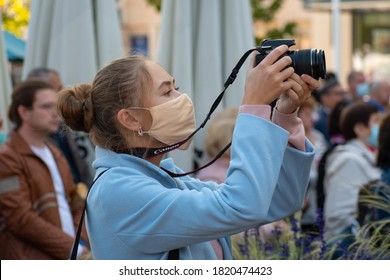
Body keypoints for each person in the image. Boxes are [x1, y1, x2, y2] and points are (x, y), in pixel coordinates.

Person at [57, 45, 320, 260]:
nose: (181, 97)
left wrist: (284, 114)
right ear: (131, 119)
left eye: (176, 86)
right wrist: (253, 107)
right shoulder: (118, 191)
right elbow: (241, 207)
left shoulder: (167, 176)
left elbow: (277, 201)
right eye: (167, 91)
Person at [0, 80, 89, 259]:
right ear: (24, 112)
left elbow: (75, 202)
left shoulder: (54, 152)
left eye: (55, 107)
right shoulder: (6, 157)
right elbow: (20, 218)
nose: (55, 113)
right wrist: (75, 250)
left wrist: (85, 243)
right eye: (47, 107)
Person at [323, 102, 382, 256]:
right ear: (360, 129)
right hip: (350, 249)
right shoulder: (348, 160)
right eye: (376, 121)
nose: (380, 126)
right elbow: (338, 215)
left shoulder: (370, 155)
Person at [27, 67, 94, 186]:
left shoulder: (62, 124)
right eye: (57, 89)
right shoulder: (29, 140)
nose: (62, 92)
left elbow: (81, 167)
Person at [297, 97, 328, 232]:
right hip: (304, 200)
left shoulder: (318, 135)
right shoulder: (293, 139)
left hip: (321, 195)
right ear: (296, 116)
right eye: (307, 114)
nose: (313, 118)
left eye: (312, 113)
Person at [314, 79, 347, 144]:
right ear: (325, 97)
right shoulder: (318, 120)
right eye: (338, 94)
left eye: (343, 93)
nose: (342, 97)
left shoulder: (345, 114)